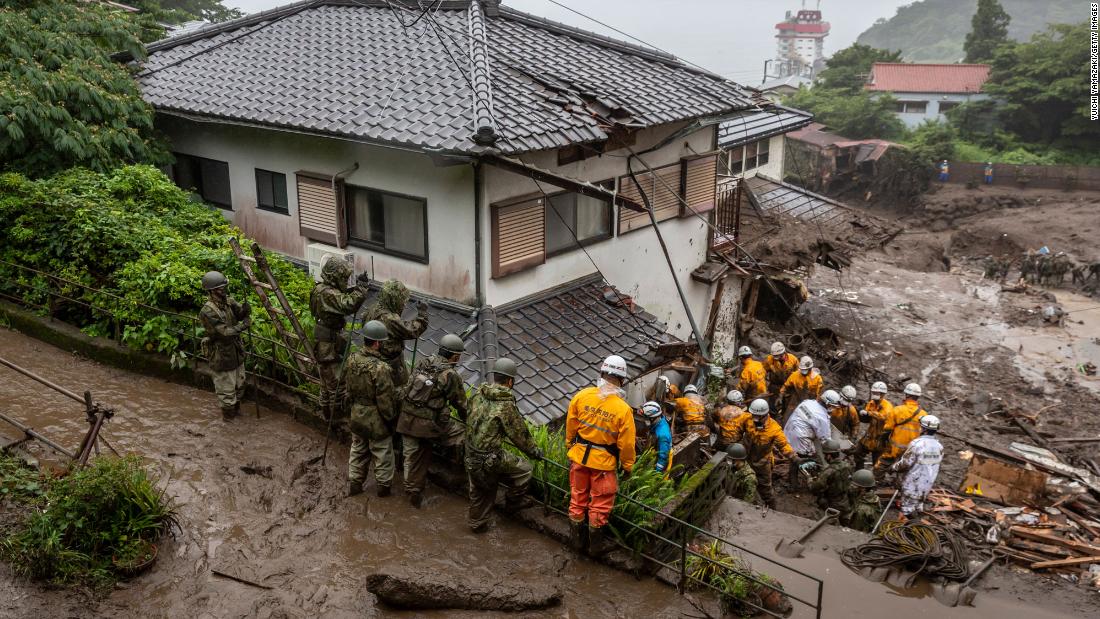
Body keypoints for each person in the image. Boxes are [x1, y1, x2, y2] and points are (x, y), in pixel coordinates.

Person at [566, 354, 637, 556]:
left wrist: (569, 446)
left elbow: (571, 427)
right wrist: (628, 467)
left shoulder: (582, 396)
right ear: (622, 380)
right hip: (603, 466)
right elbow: (627, 445)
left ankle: (576, 543)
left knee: (577, 499)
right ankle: (595, 548)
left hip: (579, 458)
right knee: (599, 505)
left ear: (602, 373)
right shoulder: (623, 410)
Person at [464, 358, 541, 533]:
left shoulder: (478, 394)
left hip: (470, 452)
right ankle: (512, 502)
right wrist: (535, 452)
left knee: (478, 489)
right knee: (526, 469)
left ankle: (476, 522)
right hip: (489, 458)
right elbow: (520, 435)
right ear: (510, 381)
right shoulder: (505, 405)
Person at [396, 333, 468, 508]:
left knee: (410, 454)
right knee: (462, 436)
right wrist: (470, 421)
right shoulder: (450, 375)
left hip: (405, 418)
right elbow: (461, 404)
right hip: (427, 425)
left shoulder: (423, 362)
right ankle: (455, 474)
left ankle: (407, 483)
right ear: (455, 356)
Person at [309, 256, 369, 420]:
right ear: (335, 276)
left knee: (326, 383)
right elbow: (348, 304)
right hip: (328, 345)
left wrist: (355, 288)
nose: (344, 280)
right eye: (343, 277)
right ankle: (335, 419)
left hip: (324, 340)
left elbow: (340, 298)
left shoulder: (320, 289)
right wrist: (361, 289)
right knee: (336, 383)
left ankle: (327, 415)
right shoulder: (327, 293)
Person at [345, 320, 398, 498]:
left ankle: (355, 484)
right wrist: (391, 419)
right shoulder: (381, 368)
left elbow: (348, 389)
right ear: (376, 343)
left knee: (358, 450)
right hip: (376, 418)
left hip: (357, 414)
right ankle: (383, 490)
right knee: (382, 453)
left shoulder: (352, 359)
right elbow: (385, 400)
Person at [198, 271, 251, 421]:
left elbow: (239, 314)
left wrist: (245, 311)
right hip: (221, 355)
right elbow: (224, 333)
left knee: (240, 385)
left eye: (224, 287)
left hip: (236, 352)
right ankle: (228, 420)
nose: (224, 290)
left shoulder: (229, 301)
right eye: (220, 288)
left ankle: (236, 413)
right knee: (227, 392)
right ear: (212, 291)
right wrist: (243, 327)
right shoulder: (207, 312)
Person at [728, 399, 795, 508]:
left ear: (765, 415)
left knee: (765, 489)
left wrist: (793, 457)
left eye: (758, 417)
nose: (755, 419)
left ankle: (773, 509)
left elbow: (783, 445)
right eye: (753, 415)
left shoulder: (774, 429)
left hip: (762, 463)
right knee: (740, 481)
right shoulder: (747, 419)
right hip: (746, 459)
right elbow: (738, 429)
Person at [367, 280, 429, 387]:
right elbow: (412, 330)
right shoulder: (389, 318)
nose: (403, 304)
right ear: (394, 299)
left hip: (371, 359)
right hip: (390, 365)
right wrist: (422, 314)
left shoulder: (372, 309)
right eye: (402, 301)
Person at [784, 390, 838, 490]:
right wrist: (834, 449)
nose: (834, 408)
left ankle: (792, 482)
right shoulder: (822, 417)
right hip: (801, 439)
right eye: (833, 406)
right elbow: (825, 439)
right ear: (828, 404)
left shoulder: (808, 402)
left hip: (789, 433)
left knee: (794, 458)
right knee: (810, 459)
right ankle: (814, 482)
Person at [875, 383, 928, 483]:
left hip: (894, 448)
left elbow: (887, 430)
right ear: (918, 397)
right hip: (910, 450)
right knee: (905, 469)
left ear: (907, 395)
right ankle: (899, 487)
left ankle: (875, 483)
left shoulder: (897, 410)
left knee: (881, 465)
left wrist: (882, 443)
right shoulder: (924, 414)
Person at [892, 415, 943, 518]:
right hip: (926, 485)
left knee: (907, 510)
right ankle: (913, 527)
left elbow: (905, 464)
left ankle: (914, 530)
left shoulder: (917, 444)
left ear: (923, 429)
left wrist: (893, 468)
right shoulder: (939, 447)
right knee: (917, 507)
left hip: (912, 484)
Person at [853, 382, 893, 471]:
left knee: (877, 462)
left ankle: (875, 479)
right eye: (873, 392)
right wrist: (862, 415)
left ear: (882, 394)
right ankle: (859, 472)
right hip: (870, 435)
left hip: (881, 438)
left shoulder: (887, 406)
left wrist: (869, 413)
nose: (874, 394)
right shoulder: (871, 403)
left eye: (876, 393)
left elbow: (884, 416)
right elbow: (867, 417)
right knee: (858, 452)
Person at [809, 439, 853, 513]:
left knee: (820, 500)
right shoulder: (848, 465)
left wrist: (809, 479)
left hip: (833, 505)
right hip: (846, 501)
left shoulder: (829, 471)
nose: (825, 457)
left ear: (829, 456)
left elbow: (815, 488)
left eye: (825, 455)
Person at [778, 356, 823, 420]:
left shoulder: (817, 379)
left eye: (805, 370)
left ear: (810, 368)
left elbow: (818, 395)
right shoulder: (795, 375)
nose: (803, 371)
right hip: (795, 400)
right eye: (802, 369)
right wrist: (781, 395)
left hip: (809, 404)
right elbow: (786, 386)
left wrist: (815, 407)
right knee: (788, 417)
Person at [640, 401, 671, 474]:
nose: (645, 420)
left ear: (652, 418)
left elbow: (663, 458)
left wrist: (655, 474)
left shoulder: (662, 435)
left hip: (657, 461)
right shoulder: (660, 421)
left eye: (646, 418)